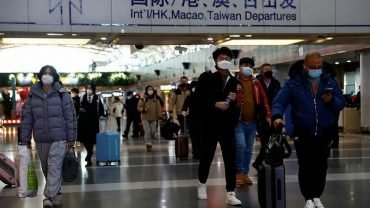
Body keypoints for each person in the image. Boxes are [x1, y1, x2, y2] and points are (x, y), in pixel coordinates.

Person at [272, 52, 345, 208]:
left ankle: (317, 196)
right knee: (305, 164)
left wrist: (331, 100)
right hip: (303, 131)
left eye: (319, 67)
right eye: (313, 67)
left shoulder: (330, 82)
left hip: (325, 132)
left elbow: (341, 104)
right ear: (305, 66)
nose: (316, 69)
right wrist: (277, 116)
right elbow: (279, 101)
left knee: (321, 165)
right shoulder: (294, 84)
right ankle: (308, 198)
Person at [19, 65, 76, 208]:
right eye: (44, 73)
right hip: (41, 138)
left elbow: (70, 117)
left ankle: (48, 197)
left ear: (55, 77)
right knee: (46, 168)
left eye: (50, 73)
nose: (47, 76)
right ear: (40, 76)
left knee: (54, 166)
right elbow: (27, 118)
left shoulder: (62, 93)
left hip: (59, 137)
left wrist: (71, 137)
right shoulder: (33, 94)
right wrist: (24, 138)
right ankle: (57, 195)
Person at [195, 47, 241, 206]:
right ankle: (202, 184)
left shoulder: (234, 79)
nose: (224, 60)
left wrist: (232, 104)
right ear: (215, 60)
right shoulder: (206, 77)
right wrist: (214, 104)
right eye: (221, 57)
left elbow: (235, 103)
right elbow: (198, 100)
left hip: (227, 126)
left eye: (227, 58)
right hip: (210, 124)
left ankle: (230, 192)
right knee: (206, 156)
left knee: (230, 158)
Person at [234, 57, 271, 186]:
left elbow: (264, 98)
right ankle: (238, 172)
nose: (248, 67)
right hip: (238, 121)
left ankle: (245, 174)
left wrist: (268, 114)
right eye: (245, 65)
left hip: (253, 121)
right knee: (240, 146)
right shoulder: (234, 82)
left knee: (249, 149)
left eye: (250, 65)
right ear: (239, 67)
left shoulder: (256, 83)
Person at [253, 63, 281, 169]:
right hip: (262, 118)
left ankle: (264, 162)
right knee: (265, 142)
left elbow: (279, 98)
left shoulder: (276, 83)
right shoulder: (257, 83)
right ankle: (259, 162)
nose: (268, 71)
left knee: (273, 142)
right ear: (262, 71)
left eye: (270, 69)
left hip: (274, 116)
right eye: (266, 69)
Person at [77, 83, 105, 167]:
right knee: (84, 140)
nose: (88, 89)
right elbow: (78, 107)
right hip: (83, 122)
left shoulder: (97, 98)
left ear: (93, 89)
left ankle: (89, 157)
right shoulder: (82, 97)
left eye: (90, 88)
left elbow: (101, 109)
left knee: (91, 140)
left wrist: (101, 116)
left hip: (93, 122)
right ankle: (90, 152)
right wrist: (80, 110)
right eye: (87, 88)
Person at [137, 86, 163, 152]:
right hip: (145, 118)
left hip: (154, 118)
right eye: (149, 89)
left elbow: (159, 108)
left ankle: (149, 140)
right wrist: (143, 109)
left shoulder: (156, 98)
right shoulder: (143, 99)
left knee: (153, 131)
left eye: (151, 89)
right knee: (147, 131)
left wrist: (160, 116)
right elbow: (138, 107)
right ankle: (148, 143)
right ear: (146, 90)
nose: (150, 91)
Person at [182, 81, 201, 159]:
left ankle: (200, 152)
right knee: (194, 137)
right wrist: (184, 111)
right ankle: (195, 152)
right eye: (193, 87)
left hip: (202, 120)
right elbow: (185, 106)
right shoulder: (189, 97)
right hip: (192, 120)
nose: (194, 88)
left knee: (200, 137)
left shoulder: (203, 96)